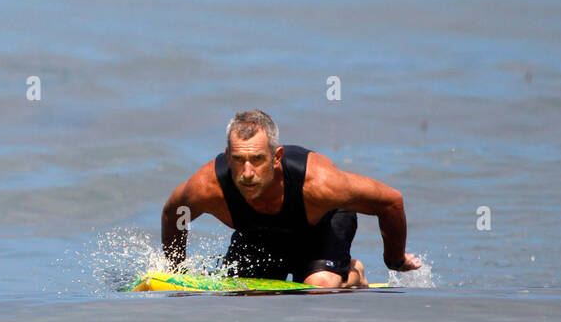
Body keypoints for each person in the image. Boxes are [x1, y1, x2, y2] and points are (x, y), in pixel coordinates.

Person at [161, 109, 422, 288]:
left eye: (258, 159)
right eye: (239, 160)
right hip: (260, 235)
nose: (247, 173)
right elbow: (173, 214)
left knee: (319, 287)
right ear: (228, 157)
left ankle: (353, 274)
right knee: (243, 293)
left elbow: (390, 201)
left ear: (276, 157)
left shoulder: (319, 183)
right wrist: (177, 270)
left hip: (322, 226)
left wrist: (395, 259)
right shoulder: (208, 187)